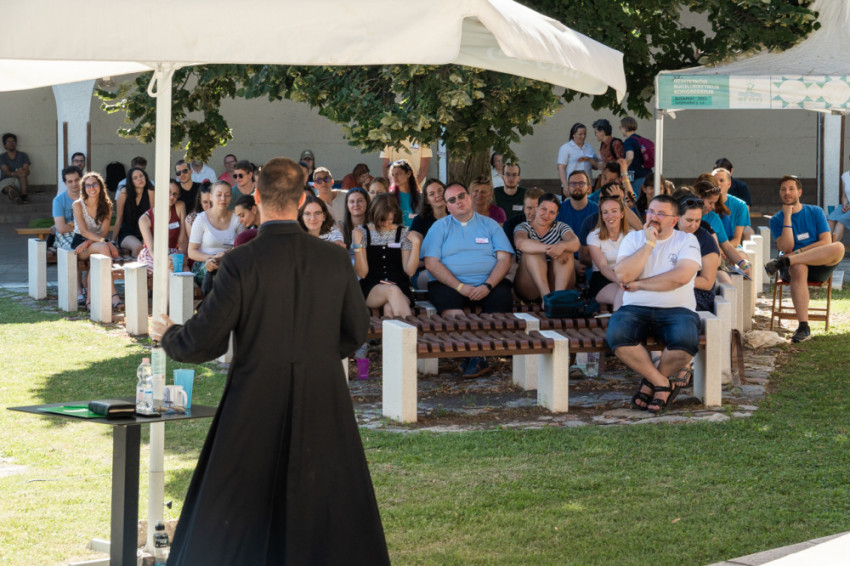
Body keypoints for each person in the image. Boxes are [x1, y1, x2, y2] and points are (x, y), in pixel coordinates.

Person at [150, 156, 389, 565]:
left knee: (239, 498)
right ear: (302, 201)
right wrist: (313, 354)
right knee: (327, 493)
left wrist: (168, 333)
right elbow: (356, 329)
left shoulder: (240, 261)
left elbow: (205, 340)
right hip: (322, 392)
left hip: (255, 395)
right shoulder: (334, 259)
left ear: (257, 198)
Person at [606, 194, 702, 414]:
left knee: (685, 344)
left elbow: (680, 277)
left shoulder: (687, 240)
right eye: (650, 211)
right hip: (634, 309)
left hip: (678, 310)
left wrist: (640, 284)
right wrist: (649, 244)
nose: (653, 217)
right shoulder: (633, 239)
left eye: (661, 213)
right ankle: (661, 384)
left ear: (674, 220)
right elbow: (623, 275)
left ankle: (650, 384)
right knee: (618, 337)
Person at [422, 182, 514, 378]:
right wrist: (460, 286)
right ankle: (477, 355)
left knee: (501, 298)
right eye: (452, 200)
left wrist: (487, 285)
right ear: (447, 207)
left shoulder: (490, 225)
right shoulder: (439, 227)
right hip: (450, 285)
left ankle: (472, 356)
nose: (459, 202)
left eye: (461, 196)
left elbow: (504, 259)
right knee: (449, 304)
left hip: (488, 284)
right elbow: (431, 263)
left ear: (469, 197)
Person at [765, 175, 845, 343]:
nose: (787, 192)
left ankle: (786, 261)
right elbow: (787, 247)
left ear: (799, 192)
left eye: (791, 188)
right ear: (779, 193)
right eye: (783, 189)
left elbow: (826, 242)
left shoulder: (815, 211)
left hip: (818, 263)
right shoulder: (777, 219)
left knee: (838, 247)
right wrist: (787, 216)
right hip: (794, 269)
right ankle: (803, 327)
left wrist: (796, 254)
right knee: (798, 267)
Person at [352, 193, 420, 317]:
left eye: (390, 219)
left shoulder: (402, 233)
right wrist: (357, 245)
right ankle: (411, 328)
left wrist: (416, 244)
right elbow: (362, 273)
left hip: (400, 287)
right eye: (382, 220)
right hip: (372, 288)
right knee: (392, 290)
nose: (386, 223)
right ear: (374, 215)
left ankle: (404, 329)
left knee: (389, 308)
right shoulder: (363, 233)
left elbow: (410, 271)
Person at [513, 193, 579, 301]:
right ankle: (546, 298)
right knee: (533, 248)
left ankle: (557, 298)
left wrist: (562, 247)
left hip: (557, 283)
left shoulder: (561, 226)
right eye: (543, 209)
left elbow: (575, 243)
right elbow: (520, 243)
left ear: (557, 214)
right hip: (530, 285)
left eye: (552, 212)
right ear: (537, 207)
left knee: (565, 249)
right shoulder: (523, 226)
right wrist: (551, 249)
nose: (546, 215)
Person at [72, 172, 122, 310]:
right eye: (88, 185)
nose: (92, 188)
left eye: (94, 184)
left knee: (101, 253)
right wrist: (104, 241)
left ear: (100, 186)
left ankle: (90, 300)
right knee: (104, 247)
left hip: (93, 243)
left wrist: (90, 242)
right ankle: (113, 294)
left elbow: (103, 232)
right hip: (80, 244)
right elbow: (84, 232)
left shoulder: (107, 205)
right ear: (84, 188)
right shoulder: (78, 204)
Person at [188, 180, 242, 293]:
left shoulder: (237, 219)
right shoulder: (201, 219)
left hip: (229, 262)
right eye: (219, 195)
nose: (223, 199)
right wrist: (211, 258)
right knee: (215, 271)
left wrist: (226, 256)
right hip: (205, 263)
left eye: (227, 195)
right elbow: (191, 252)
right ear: (211, 197)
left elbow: (242, 247)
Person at [692, 179, 753, 279]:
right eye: (710, 203)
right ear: (699, 198)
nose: (713, 207)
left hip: (712, 266)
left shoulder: (714, 217)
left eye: (715, 203)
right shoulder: (686, 215)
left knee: (725, 280)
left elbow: (727, 246)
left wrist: (743, 264)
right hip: (691, 263)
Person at [676, 192, 721, 312]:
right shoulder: (668, 232)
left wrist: (675, 280)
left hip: (696, 292)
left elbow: (707, 282)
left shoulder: (706, 240)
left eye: (697, 221)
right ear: (677, 216)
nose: (693, 225)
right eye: (689, 220)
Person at [586, 195, 631, 310]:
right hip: (603, 279)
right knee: (625, 295)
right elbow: (603, 267)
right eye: (605, 212)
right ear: (602, 216)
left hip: (628, 276)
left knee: (630, 295)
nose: (610, 215)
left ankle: (616, 318)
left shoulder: (632, 235)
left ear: (622, 214)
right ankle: (617, 320)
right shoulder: (594, 236)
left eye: (614, 211)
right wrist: (622, 282)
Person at [138, 179, 188, 274]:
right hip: (153, 255)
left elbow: (182, 240)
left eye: (175, 194)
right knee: (166, 271)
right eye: (168, 192)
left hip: (173, 253)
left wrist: (183, 257)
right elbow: (152, 249)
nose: (171, 197)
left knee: (185, 270)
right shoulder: (144, 219)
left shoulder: (179, 206)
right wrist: (165, 261)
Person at [408, 179, 447, 289]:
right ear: (427, 200)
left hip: (455, 268)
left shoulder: (456, 218)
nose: (438, 195)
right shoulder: (420, 220)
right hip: (425, 271)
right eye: (432, 194)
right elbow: (415, 259)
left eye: (440, 190)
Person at [112, 166, 155, 256]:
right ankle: (136, 266)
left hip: (145, 231)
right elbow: (119, 218)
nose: (140, 179)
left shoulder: (150, 191)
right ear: (131, 181)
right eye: (135, 178)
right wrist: (113, 241)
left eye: (141, 176)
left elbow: (152, 216)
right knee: (137, 247)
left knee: (148, 248)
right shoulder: (124, 192)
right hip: (127, 232)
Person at [707, 168, 752, 246]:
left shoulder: (741, 205)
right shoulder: (703, 203)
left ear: (729, 184)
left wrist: (722, 250)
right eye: (714, 181)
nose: (717, 183)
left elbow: (736, 240)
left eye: (721, 180)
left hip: (730, 246)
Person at [556, 122, 600, 192]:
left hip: (587, 186)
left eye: (585, 134)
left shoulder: (589, 147)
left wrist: (589, 160)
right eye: (580, 134)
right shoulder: (566, 148)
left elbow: (596, 167)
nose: (583, 136)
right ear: (573, 135)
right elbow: (561, 167)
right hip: (571, 186)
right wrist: (565, 185)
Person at [503, 187, 544, 252]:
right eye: (529, 208)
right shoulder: (510, 224)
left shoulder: (552, 225)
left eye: (537, 208)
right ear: (524, 208)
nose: (533, 213)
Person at [619, 117, 653, 194]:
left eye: (620, 127)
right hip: (647, 175)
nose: (620, 129)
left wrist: (623, 169)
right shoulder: (640, 139)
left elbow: (630, 157)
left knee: (635, 199)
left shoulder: (629, 141)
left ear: (625, 127)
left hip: (636, 177)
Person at [53, 165, 83, 251]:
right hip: (65, 235)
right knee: (75, 249)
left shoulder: (88, 197)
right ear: (65, 183)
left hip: (85, 234)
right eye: (70, 181)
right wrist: (84, 229)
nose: (74, 184)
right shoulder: (58, 200)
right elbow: (61, 228)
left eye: (77, 180)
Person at [388, 160, 421, 227]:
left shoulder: (420, 196)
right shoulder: (390, 197)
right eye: (393, 175)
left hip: (415, 232)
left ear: (408, 173)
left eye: (398, 174)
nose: (395, 177)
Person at [0, 133, 31, 203]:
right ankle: (13, 193)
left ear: (16, 143)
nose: (12, 144)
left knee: (23, 174)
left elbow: (26, 169)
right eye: (9, 142)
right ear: (4, 145)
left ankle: (24, 196)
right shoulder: (2, 157)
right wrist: (14, 173)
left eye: (13, 142)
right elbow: (5, 170)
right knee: (8, 187)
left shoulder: (23, 155)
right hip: (6, 180)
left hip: (19, 180)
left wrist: (23, 171)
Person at [827, 153, 850, 242]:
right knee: (831, 219)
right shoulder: (845, 176)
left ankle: (832, 247)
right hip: (847, 205)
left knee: (841, 221)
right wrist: (844, 205)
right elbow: (844, 195)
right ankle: (826, 243)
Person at [341, 187, 371, 252]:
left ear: (367, 202)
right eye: (352, 201)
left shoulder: (374, 227)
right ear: (347, 205)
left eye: (360, 201)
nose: (356, 204)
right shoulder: (341, 228)